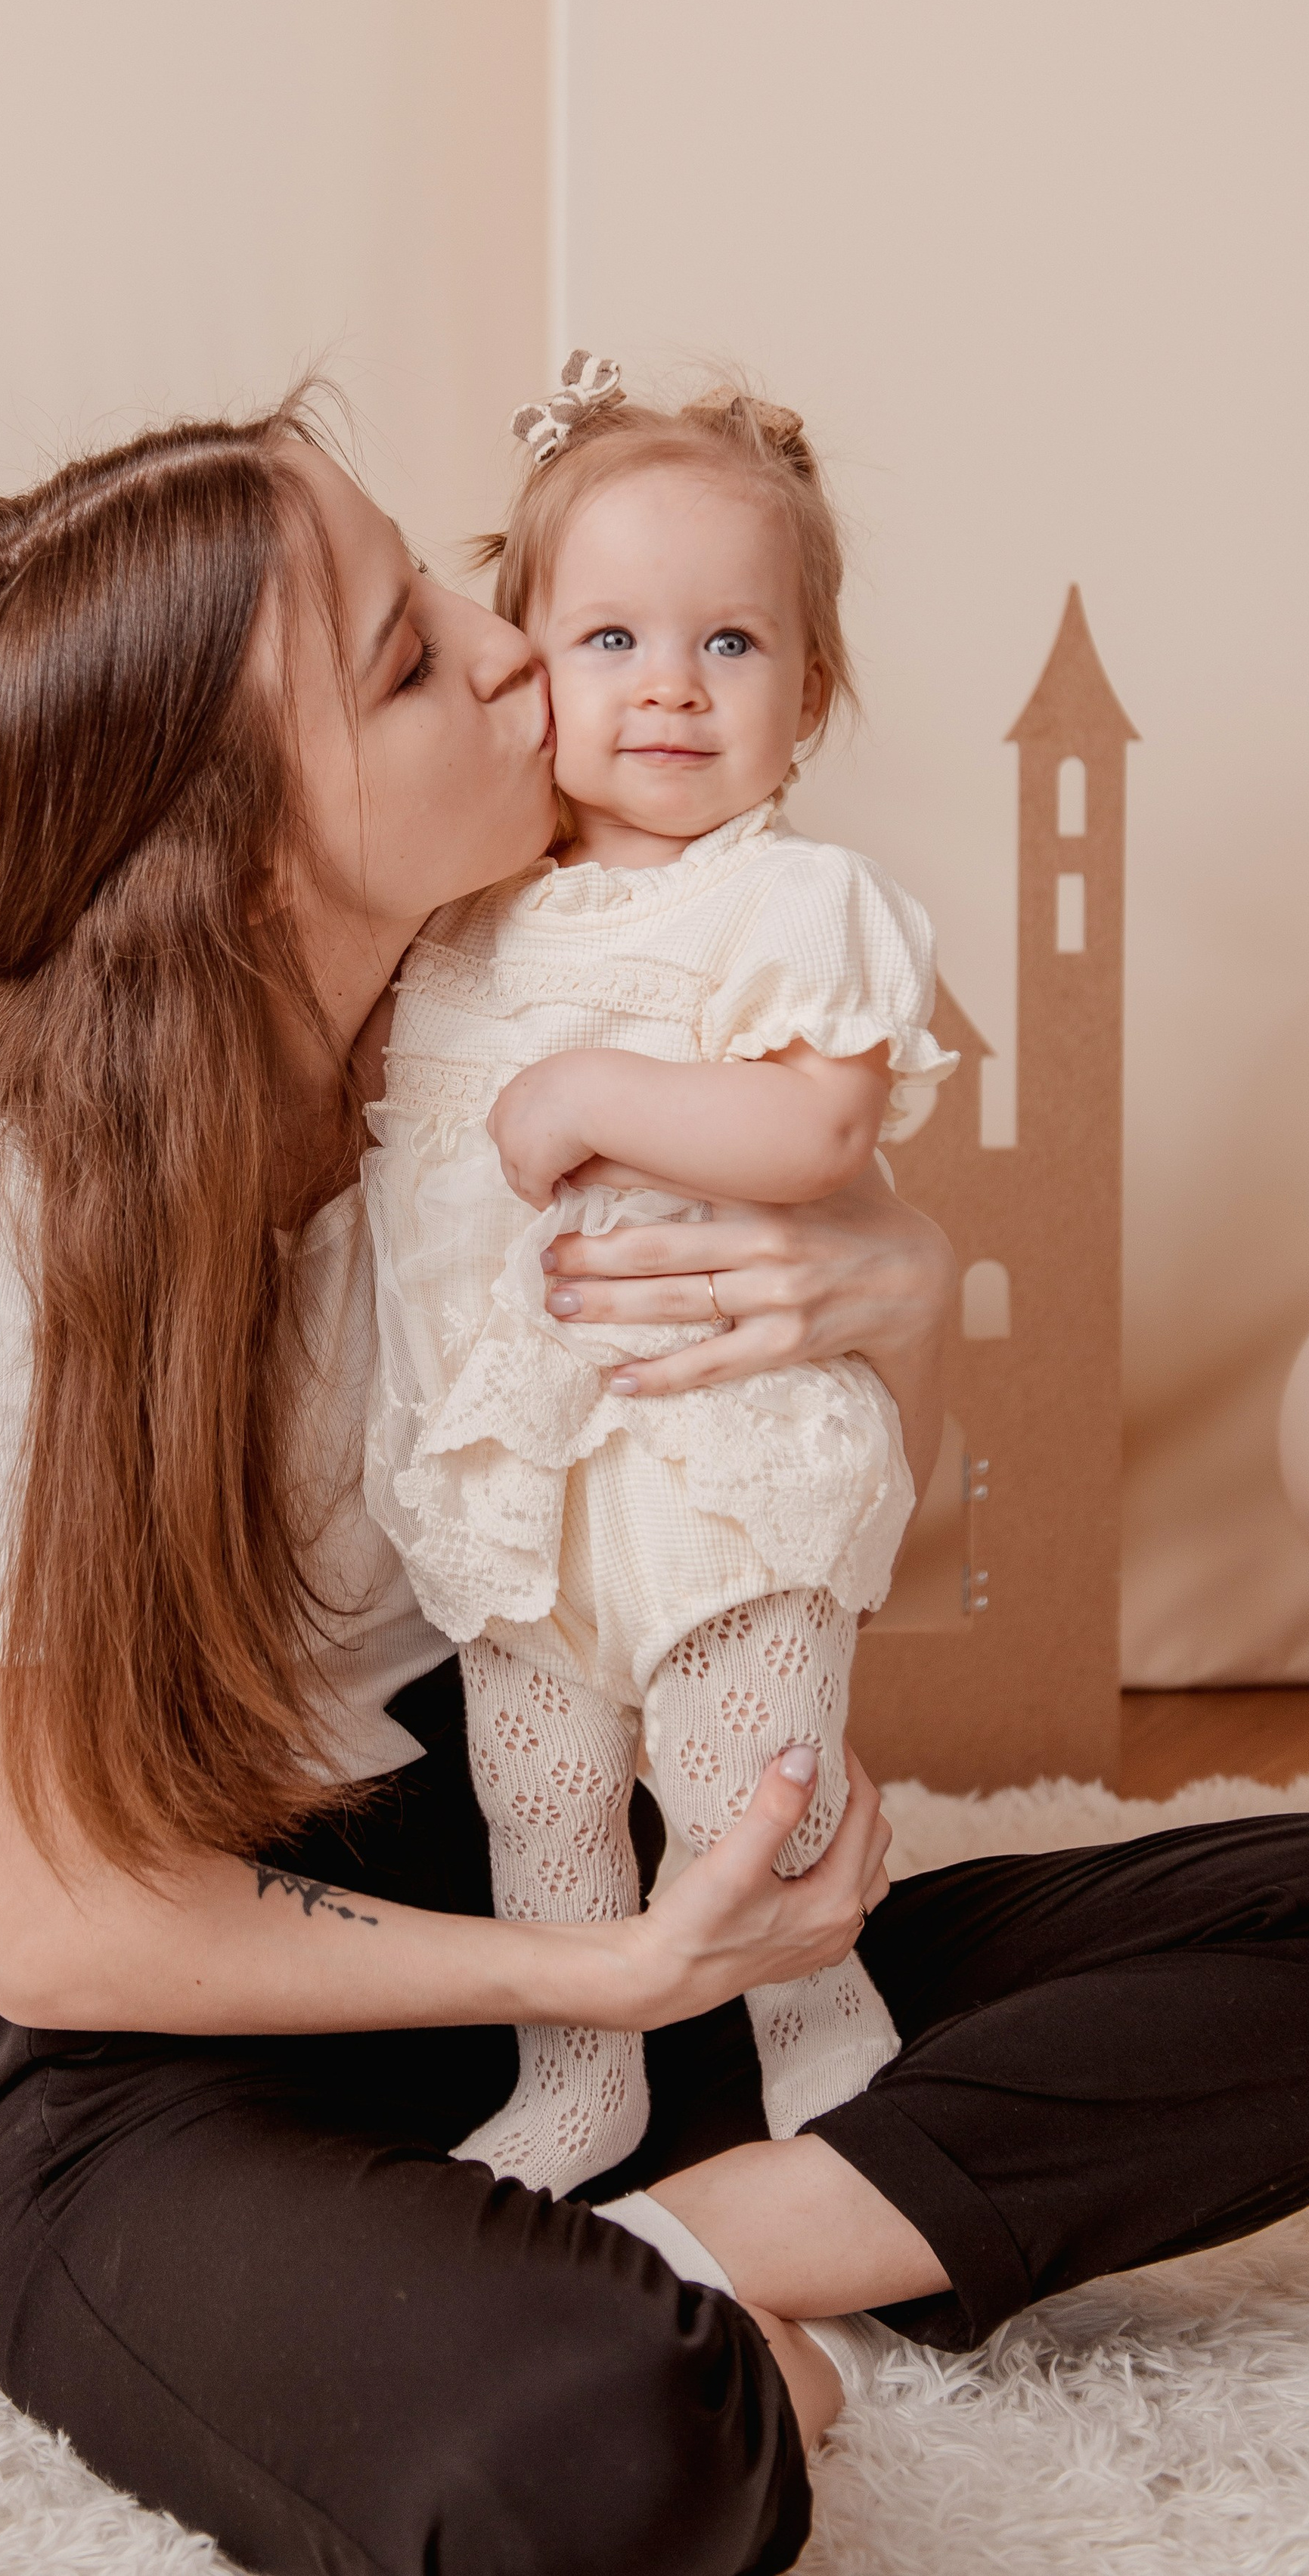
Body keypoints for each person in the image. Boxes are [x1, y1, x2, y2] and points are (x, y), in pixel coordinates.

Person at [0, 398, 1309, 2576]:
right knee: (619, 2456)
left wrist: (903, 1274)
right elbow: (63, 1922)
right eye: (413, 657)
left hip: (577, 1885)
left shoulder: (536, 987)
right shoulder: (9, 1212)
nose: (514, 651)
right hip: (202, 2034)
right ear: (242, 850)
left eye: (457, 584)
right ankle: (621, 2285)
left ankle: (678, 2229)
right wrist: (609, 1978)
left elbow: (779, 1476)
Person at [362, 355, 958, 2198]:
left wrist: (594, 1092)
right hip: (517, 1476)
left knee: (742, 1784)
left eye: (730, 646)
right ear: (525, 667)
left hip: (712, 1454)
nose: (669, 689)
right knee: (535, 1804)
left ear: (810, 693)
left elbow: (815, 1141)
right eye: (609, 638)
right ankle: (581, 2075)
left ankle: (814, 2030)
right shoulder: (461, 917)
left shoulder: (791, 905)